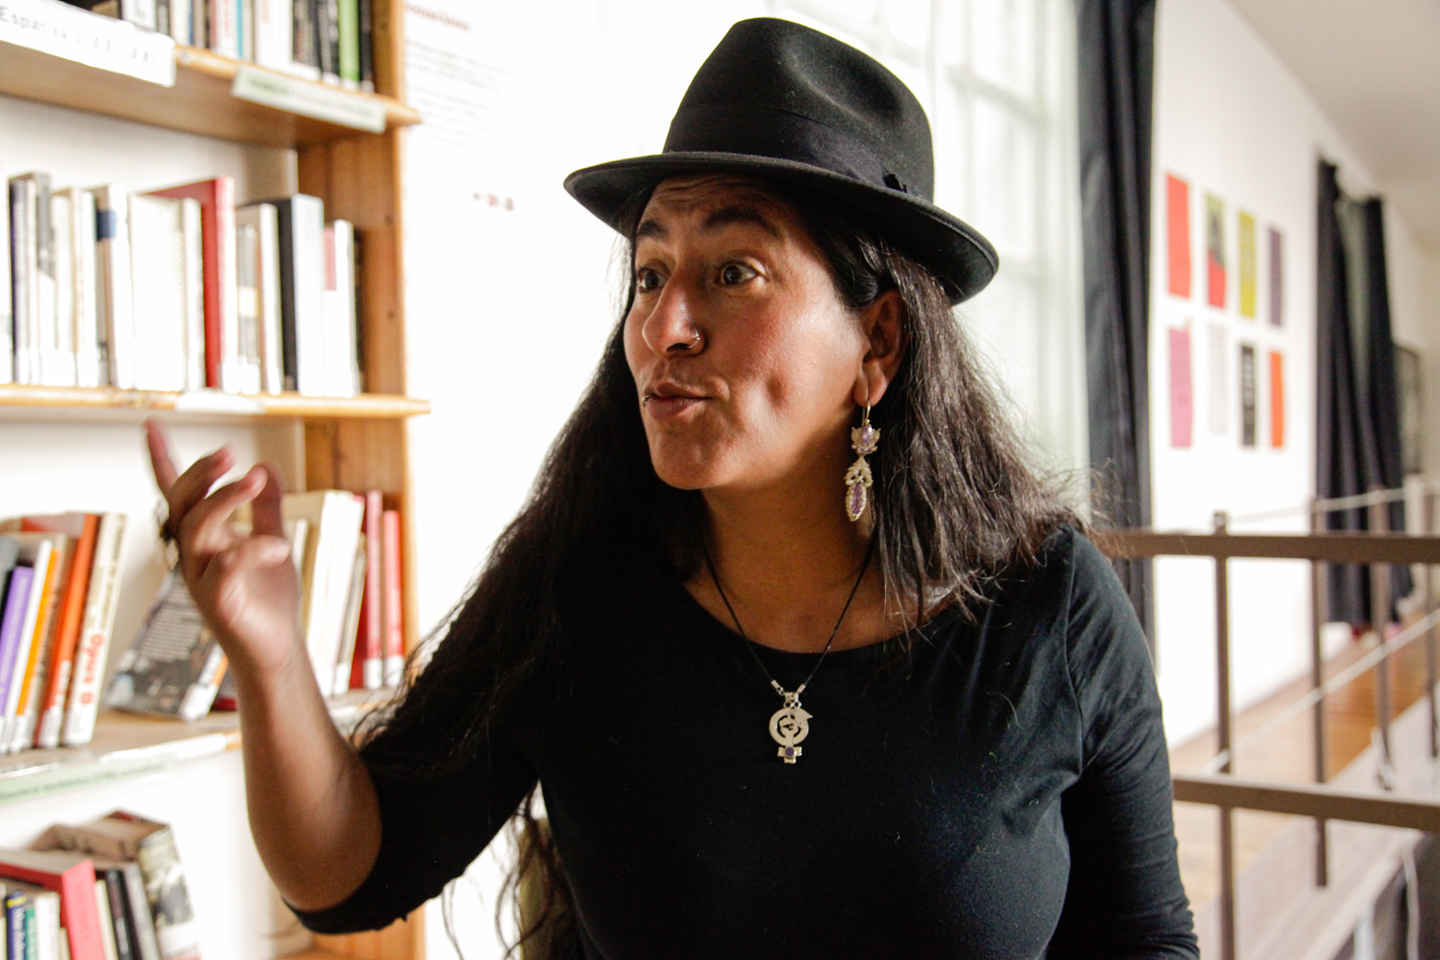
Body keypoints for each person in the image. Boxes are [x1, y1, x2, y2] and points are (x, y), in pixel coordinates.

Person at [146, 17, 1197, 960]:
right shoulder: (577, 586)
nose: (663, 326)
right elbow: (349, 878)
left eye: (734, 272)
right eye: (650, 274)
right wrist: (270, 655)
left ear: (877, 341)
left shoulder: (1048, 608)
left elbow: (1146, 939)